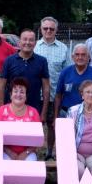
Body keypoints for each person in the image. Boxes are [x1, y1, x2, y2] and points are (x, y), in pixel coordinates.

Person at [0, 77, 41, 184]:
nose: (18, 94)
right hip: (6, 151)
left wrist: (25, 153)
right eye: (15, 91)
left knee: (30, 169)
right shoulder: (2, 111)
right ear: (10, 94)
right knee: (7, 168)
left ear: (26, 95)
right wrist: (10, 152)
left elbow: (38, 138)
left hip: (27, 152)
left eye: (22, 91)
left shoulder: (33, 112)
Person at [34, 16, 70, 161]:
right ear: (41, 29)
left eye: (51, 29)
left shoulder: (63, 48)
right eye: (45, 28)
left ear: (56, 30)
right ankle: (33, 152)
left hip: (54, 94)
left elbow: (66, 72)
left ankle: (49, 152)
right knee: (34, 124)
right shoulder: (34, 46)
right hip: (35, 94)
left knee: (52, 125)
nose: (48, 31)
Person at [0, 29, 50, 121]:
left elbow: (46, 88)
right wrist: (1, 109)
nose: (27, 42)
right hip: (11, 111)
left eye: (31, 40)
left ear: (35, 43)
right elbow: (1, 86)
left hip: (34, 110)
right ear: (19, 42)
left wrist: (44, 112)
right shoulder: (9, 61)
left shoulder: (42, 61)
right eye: (25, 39)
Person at [54, 44, 92, 118]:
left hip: (88, 116)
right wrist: (55, 117)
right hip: (66, 113)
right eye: (77, 55)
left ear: (88, 57)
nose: (80, 57)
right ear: (72, 57)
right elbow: (58, 96)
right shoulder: (65, 72)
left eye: (83, 55)